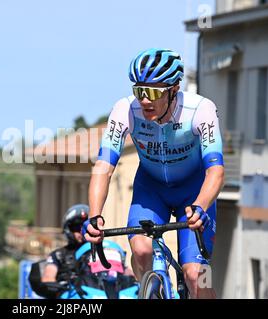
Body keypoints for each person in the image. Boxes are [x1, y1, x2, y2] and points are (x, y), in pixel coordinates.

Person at [83, 49, 224, 299]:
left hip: (194, 193)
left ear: (174, 89)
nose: (145, 101)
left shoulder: (200, 109)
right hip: (151, 190)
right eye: (139, 91)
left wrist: (201, 206)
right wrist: (94, 216)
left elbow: (215, 170)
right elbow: (103, 167)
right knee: (140, 250)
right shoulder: (125, 110)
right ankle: (149, 291)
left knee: (195, 274)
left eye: (154, 93)